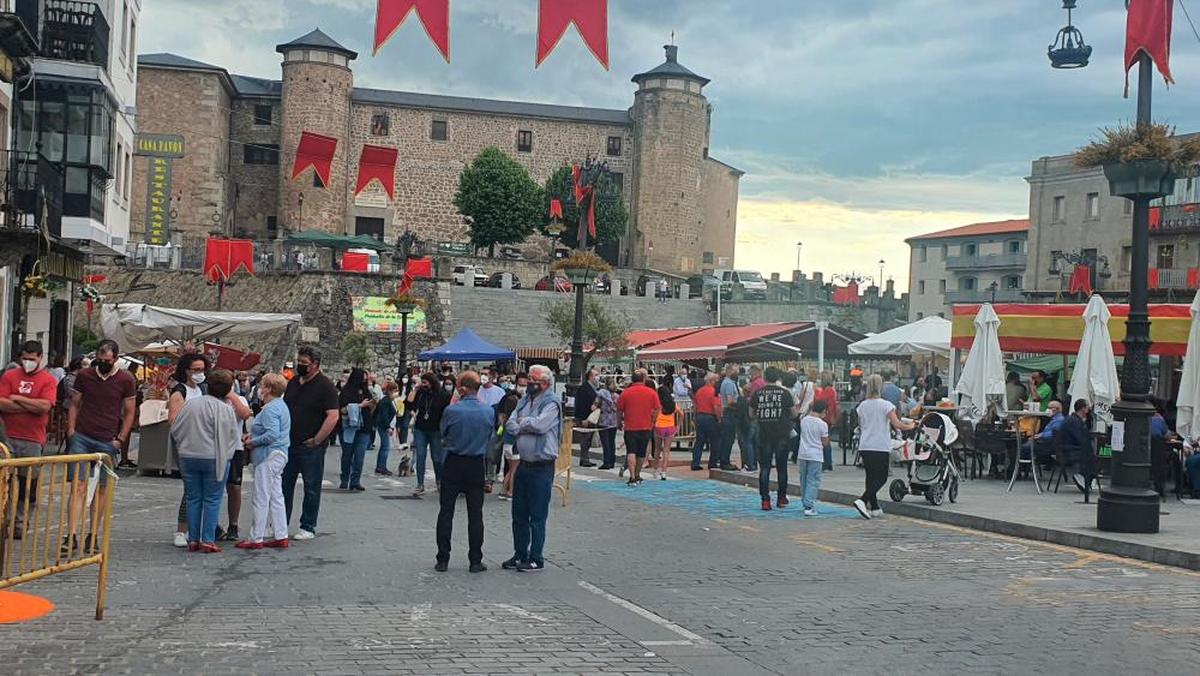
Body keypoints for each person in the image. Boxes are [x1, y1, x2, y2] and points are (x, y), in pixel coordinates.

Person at [64, 340, 137, 555]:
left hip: (107, 439)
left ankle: (93, 534)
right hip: (83, 436)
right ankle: (72, 534)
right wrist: (71, 430)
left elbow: (129, 411)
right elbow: (75, 403)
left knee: (102, 489)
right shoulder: (85, 376)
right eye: (101, 360)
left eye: (108, 360)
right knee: (78, 485)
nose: (104, 364)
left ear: (116, 358)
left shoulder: (126, 379)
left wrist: (121, 438)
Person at [172, 369, 242, 553]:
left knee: (193, 497)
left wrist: (183, 446)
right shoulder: (225, 409)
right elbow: (232, 437)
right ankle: (208, 539)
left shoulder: (191, 405)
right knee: (212, 498)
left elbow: (176, 428)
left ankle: (193, 538)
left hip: (189, 456)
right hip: (214, 457)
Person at [435, 371, 496, 573]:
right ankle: (475, 560)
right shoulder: (488, 411)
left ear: (461, 388)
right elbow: (490, 435)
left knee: (446, 512)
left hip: (454, 460)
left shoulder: (452, 410)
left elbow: (443, 432)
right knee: (475, 514)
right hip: (476, 462)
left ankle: (443, 558)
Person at [504, 365, 561, 573]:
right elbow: (510, 423)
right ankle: (520, 553)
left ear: (544, 383)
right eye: (528, 378)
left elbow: (541, 426)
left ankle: (536, 557)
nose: (528, 381)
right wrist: (525, 423)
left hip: (541, 466)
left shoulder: (552, 403)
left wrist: (523, 422)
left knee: (537, 515)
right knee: (519, 513)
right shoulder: (524, 400)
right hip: (524, 463)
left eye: (532, 378)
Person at [0, 341, 58, 538]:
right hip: (7, 438)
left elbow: (44, 407)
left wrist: (17, 398)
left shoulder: (48, 380)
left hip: (33, 440)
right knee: (4, 482)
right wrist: (30, 406)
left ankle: (20, 523)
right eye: (25, 358)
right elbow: (2, 403)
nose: (28, 363)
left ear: (40, 358)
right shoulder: (9, 376)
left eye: (32, 359)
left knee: (28, 486)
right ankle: (3, 520)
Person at [282, 347, 340, 540]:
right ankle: (280, 523)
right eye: (299, 362)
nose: (301, 366)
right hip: (289, 443)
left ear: (315, 364)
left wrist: (317, 439)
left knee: (311, 487)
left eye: (304, 363)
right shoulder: (293, 383)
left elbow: (333, 416)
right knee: (284, 486)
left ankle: (308, 525)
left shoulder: (326, 386)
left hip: (311, 445)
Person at [237, 373, 292, 550]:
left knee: (261, 496)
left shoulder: (270, 409)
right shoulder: (281, 406)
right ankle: (280, 533)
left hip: (267, 455)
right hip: (280, 453)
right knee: (276, 495)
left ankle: (256, 536)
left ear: (268, 389)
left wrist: (252, 441)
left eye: (262, 385)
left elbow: (271, 434)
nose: (260, 388)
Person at [853, 374, 916, 520]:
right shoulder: (886, 405)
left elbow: (862, 425)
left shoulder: (862, 405)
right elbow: (897, 424)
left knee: (870, 476)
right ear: (881, 387)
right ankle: (863, 499)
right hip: (880, 444)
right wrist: (911, 425)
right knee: (881, 477)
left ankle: (875, 507)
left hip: (865, 444)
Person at [749, 367, 795, 511]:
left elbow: (751, 414)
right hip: (782, 434)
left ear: (765, 377)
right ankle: (781, 497)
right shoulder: (785, 394)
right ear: (777, 378)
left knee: (765, 468)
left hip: (764, 433)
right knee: (782, 468)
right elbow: (793, 413)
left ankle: (765, 500)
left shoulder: (758, 393)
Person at [409, 372, 451, 495]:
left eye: (425, 382)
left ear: (432, 382)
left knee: (437, 458)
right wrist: (415, 389)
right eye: (422, 382)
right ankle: (420, 484)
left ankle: (439, 480)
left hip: (436, 430)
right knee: (420, 456)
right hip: (420, 428)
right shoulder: (421, 393)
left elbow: (447, 412)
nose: (423, 385)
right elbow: (409, 404)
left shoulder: (443, 395)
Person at [616, 369, 659, 485]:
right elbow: (657, 408)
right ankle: (638, 474)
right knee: (641, 453)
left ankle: (631, 476)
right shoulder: (651, 393)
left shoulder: (625, 393)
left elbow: (619, 410)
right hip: (645, 427)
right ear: (643, 379)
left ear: (632, 379)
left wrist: (619, 422)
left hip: (630, 427)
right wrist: (652, 421)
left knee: (631, 451)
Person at [338, 368, 376, 492]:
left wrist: (372, 405)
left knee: (359, 455)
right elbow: (342, 409)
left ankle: (355, 480)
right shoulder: (346, 391)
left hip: (364, 426)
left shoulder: (366, 391)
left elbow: (371, 406)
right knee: (347, 454)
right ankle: (345, 478)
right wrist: (359, 406)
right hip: (349, 426)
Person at [496, 373, 527, 500]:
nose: (523, 387)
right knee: (515, 469)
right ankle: (511, 492)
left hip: (507, 443)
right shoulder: (513, 421)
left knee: (510, 468)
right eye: (521, 385)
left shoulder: (507, 420)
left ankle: (504, 490)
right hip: (514, 443)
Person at [798, 400, 830, 516]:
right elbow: (825, 442)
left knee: (804, 479)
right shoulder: (823, 424)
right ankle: (809, 505)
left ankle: (804, 500)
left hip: (802, 453)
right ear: (823, 411)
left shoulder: (804, 420)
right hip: (816, 455)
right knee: (813, 480)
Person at [1061, 398, 1098, 495]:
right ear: (1083, 409)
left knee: (1091, 453)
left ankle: (1088, 478)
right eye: (1087, 407)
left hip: (1069, 449)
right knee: (1091, 455)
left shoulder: (1074, 419)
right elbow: (1080, 438)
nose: (1089, 409)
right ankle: (1084, 477)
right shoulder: (1074, 422)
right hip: (1071, 451)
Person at [691, 372, 722, 471]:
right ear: (712, 381)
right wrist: (719, 418)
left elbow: (695, 406)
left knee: (699, 442)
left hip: (699, 417)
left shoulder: (699, 391)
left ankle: (695, 463)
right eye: (716, 381)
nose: (717, 382)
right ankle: (712, 463)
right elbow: (716, 406)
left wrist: (695, 417)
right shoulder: (714, 391)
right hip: (710, 417)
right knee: (715, 441)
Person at [714, 365, 741, 470]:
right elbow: (730, 401)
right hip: (730, 413)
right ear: (730, 371)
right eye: (736, 370)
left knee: (727, 438)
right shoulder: (729, 384)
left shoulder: (728, 382)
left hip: (728, 413)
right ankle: (725, 461)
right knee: (728, 439)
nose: (737, 372)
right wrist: (740, 402)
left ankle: (724, 460)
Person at [652, 377, 679, 481]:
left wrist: (653, 422)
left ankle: (655, 469)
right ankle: (664, 471)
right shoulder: (672, 404)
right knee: (666, 451)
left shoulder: (658, 403)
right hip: (670, 427)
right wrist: (678, 425)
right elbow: (681, 414)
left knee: (658, 449)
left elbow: (654, 415)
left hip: (659, 426)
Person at [1022, 400, 1064, 466]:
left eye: (1049, 408)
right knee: (1026, 444)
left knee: (1024, 448)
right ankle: (1025, 468)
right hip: (1046, 443)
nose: (1047, 409)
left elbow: (1054, 433)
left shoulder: (1059, 420)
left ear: (1055, 409)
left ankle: (1023, 468)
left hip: (1049, 446)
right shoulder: (1054, 419)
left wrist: (1041, 435)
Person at [814, 374, 839, 471]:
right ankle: (828, 463)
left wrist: (816, 392)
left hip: (825, 417)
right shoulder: (831, 390)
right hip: (827, 416)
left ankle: (826, 462)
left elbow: (820, 400)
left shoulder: (827, 391)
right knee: (826, 439)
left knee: (825, 440)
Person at [574, 369, 599, 468]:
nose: (597, 377)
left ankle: (585, 458)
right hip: (585, 417)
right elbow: (580, 404)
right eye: (596, 375)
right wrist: (583, 418)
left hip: (591, 417)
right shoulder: (584, 388)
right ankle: (584, 459)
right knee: (585, 439)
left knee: (588, 439)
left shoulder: (593, 388)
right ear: (590, 376)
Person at [374, 380, 398, 476]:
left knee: (384, 447)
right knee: (385, 447)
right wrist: (388, 427)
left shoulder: (388, 400)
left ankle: (380, 466)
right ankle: (381, 467)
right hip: (383, 426)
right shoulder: (386, 401)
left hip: (385, 425)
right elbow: (384, 415)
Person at [595, 377, 619, 470]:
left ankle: (606, 462)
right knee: (612, 442)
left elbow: (595, 405)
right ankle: (612, 461)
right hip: (613, 421)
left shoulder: (601, 394)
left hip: (603, 421)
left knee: (605, 443)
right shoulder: (617, 396)